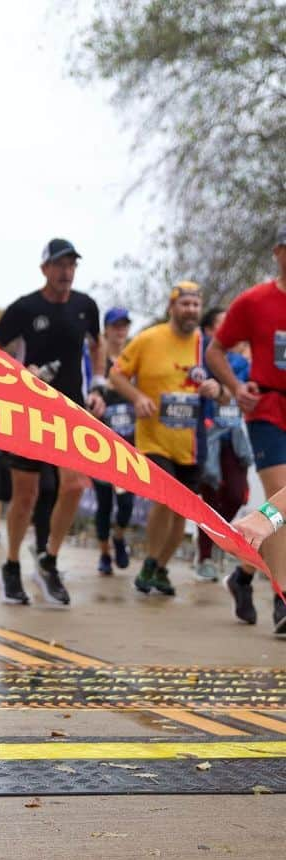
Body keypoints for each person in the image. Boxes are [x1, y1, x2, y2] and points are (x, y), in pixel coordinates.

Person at [0, 239, 106, 605]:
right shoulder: (24, 309)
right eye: (59, 265)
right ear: (44, 269)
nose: (66, 272)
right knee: (26, 495)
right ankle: (10, 565)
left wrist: (98, 385)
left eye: (72, 265)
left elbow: (98, 345)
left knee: (74, 485)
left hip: (70, 409)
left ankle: (49, 560)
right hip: (28, 411)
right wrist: (19, 372)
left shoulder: (85, 306)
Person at [109, 282, 222, 596]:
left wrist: (217, 390)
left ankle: (159, 567)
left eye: (196, 305)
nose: (191, 310)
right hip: (154, 438)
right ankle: (150, 562)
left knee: (182, 509)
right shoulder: (149, 339)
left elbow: (226, 393)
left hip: (191, 441)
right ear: (172, 307)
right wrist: (137, 397)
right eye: (185, 304)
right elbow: (116, 375)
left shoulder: (207, 346)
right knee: (164, 498)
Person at [206, 225, 286, 630]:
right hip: (267, 408)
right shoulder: (253, 301)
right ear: (277, 251)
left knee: (280, 509)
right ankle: (282, 598)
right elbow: (215, 350)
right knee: (280, 499)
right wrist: (237, 388)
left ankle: (244, 576)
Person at [194, 308, 252, 582]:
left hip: (233, 437)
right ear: (207, 331)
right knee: (211, 497)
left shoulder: (241, 362)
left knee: (236, 495)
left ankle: (214, 536)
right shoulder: (198, 359)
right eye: (222, 323)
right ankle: (205, 557)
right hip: (206, 437)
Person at [93, 307, 136, 575]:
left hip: (128, 443)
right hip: (99, 443)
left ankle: (119, 536)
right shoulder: (97, 361)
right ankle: (104, 554)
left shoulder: (133, 359)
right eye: (115, 325)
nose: (120, 330)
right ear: (106, 329)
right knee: (104, 502)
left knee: (126, 503)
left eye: (125, 325)